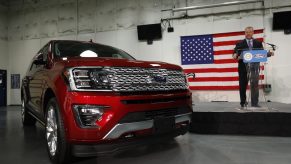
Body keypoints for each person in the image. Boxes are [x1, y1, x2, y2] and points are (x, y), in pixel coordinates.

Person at [233, 26, 274, 108]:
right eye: (246, 32)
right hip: (243, 68)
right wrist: (234, 55)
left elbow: (261, 54)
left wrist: (269, 54)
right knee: (242, 85)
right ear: (245, 33)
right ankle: (243, 103)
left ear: (253, 32)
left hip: (254, 67)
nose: (248, 33)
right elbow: (235, 54)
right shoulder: (239, 43)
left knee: (255, 85)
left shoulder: (258, 43)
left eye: (250, 32)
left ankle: (255, 103)